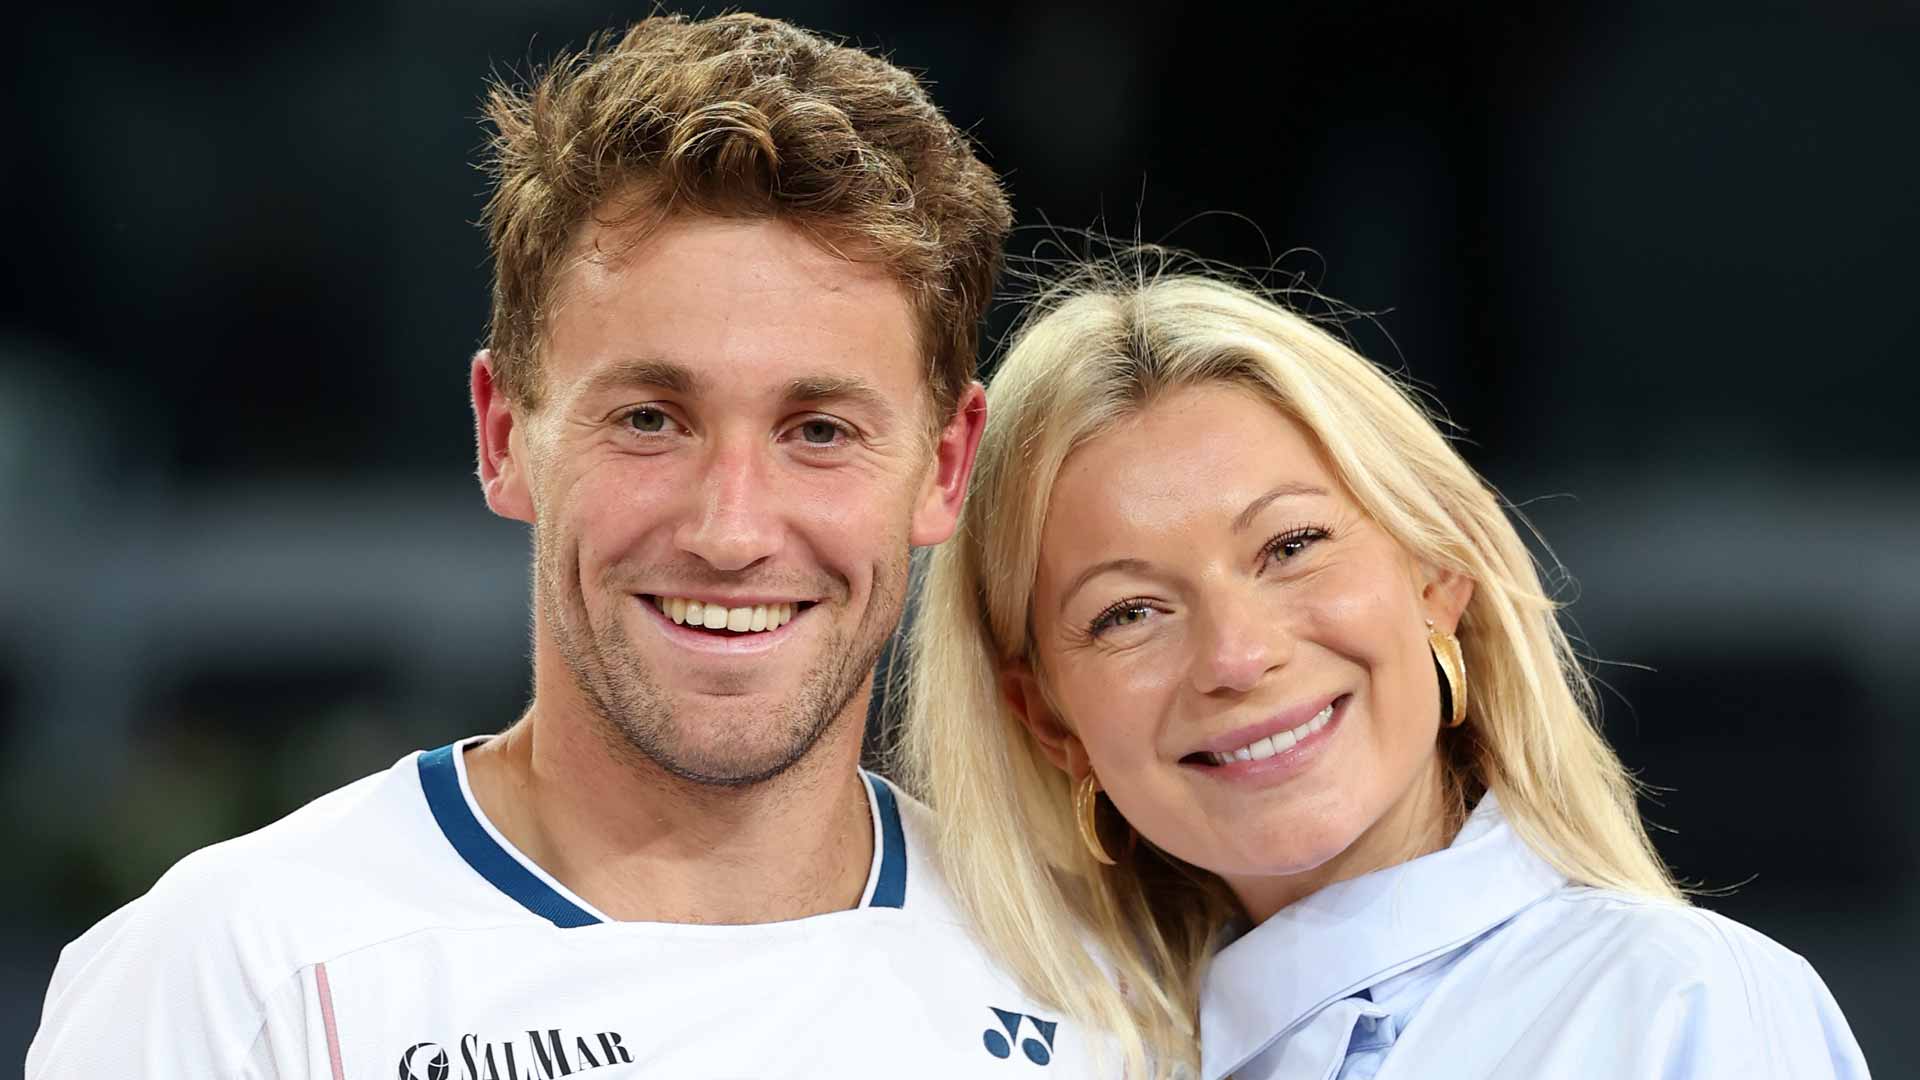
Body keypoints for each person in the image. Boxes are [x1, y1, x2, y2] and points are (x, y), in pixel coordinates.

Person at [28, 14, 1112, 1078]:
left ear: (946, 466)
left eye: (819, 431)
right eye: (649, 420)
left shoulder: (1098, 989)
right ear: (504, 437)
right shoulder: (233, 983)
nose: (731, 530)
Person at [900, 253, 1872, 1079]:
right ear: (1048, 720)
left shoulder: (1673, 1007)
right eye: (1129, 613)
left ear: (1437, 573)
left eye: (1290, 547)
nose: (1237, 656)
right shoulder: (1068, 1059)